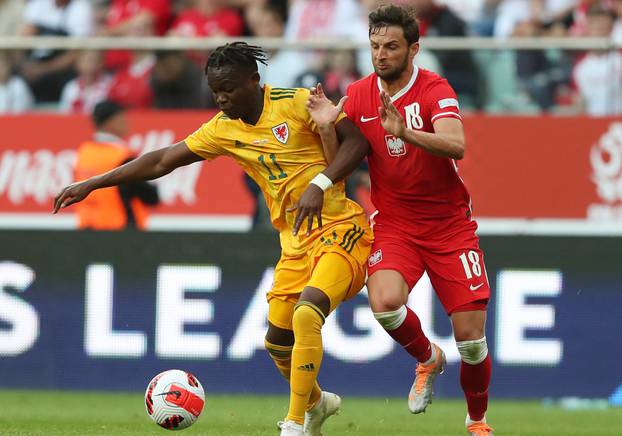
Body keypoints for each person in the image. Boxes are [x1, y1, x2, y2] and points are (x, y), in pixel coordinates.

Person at [54, 42, 373, 436]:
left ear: (255, 81)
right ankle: (317, 402)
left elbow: (357, 143)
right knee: (277, 343)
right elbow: (162, 160)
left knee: (307, 313)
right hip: (295, 243)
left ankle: (294, 424)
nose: (222, 98)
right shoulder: (223, 129)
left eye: (230, 89)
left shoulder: (297, 103)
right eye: (215, 90)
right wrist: (93, 183)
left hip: (342, 227)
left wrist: (320, 184)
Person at [299, 4, 494, 435]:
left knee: (472, 341)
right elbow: (341, 168)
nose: (381, 54)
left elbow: (456, 144)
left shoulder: (434, 89)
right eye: (374, 46)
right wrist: (330, 127)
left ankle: (477, 421)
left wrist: (404, 131)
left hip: (449, 226)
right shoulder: (359, 93)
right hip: (396, 223)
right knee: (384, 302)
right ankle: (428, 359)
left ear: (414, 48)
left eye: (390, 46)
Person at [73, 100, 160, 230]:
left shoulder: (83, 152)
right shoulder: (122, 157)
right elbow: (150, 197)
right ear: (110, 122)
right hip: (120, 231)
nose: (127, 123)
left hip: (87, 230)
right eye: (122, 118)